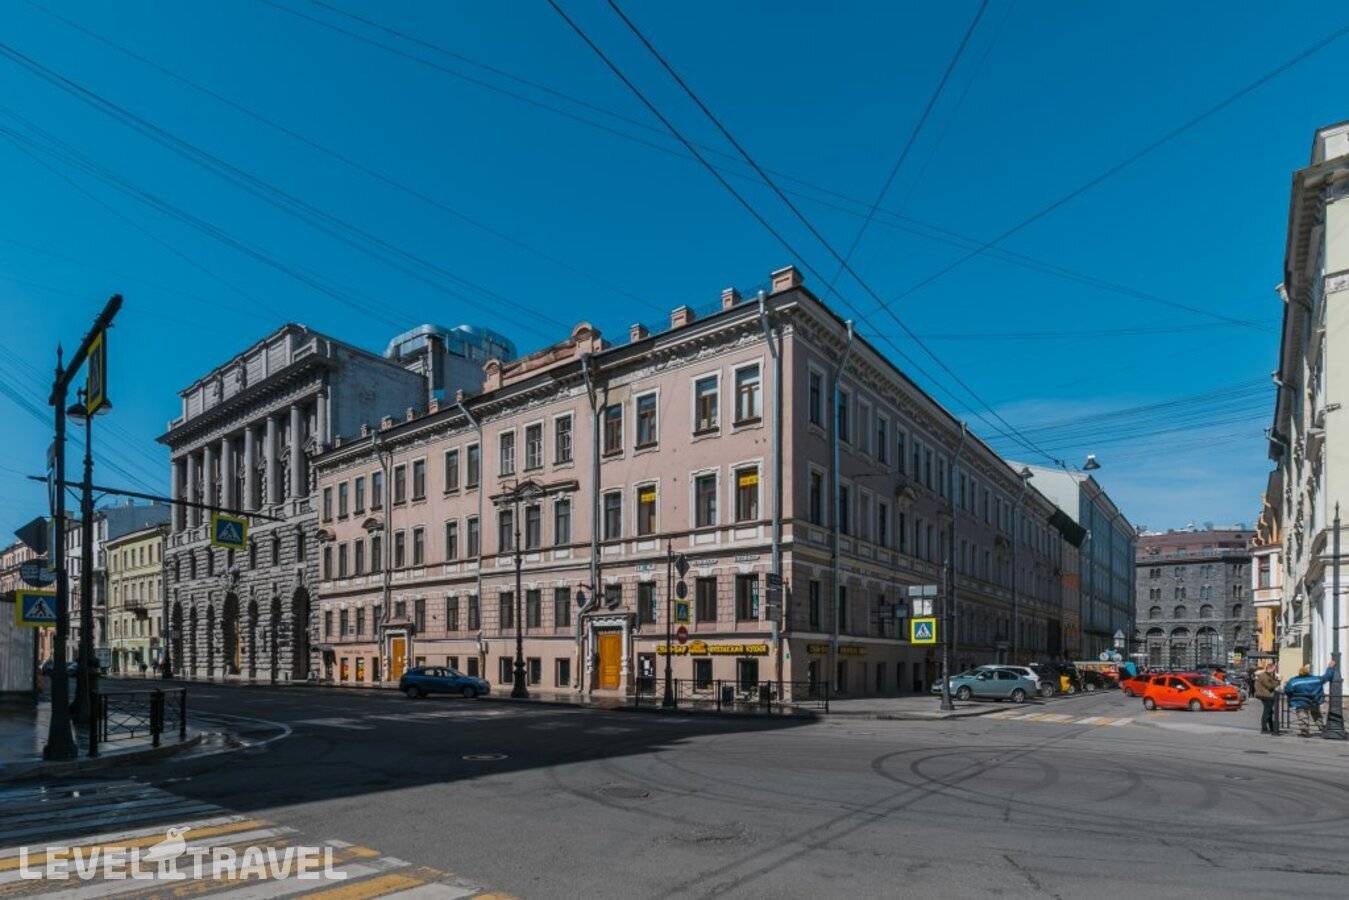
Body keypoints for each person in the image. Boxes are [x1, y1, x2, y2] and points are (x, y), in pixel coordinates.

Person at [1284, 660, 1337, 737]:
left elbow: (1288, 690)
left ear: (1299, 673)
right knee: (1316, 715)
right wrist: (1330, 667)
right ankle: (1322, 729)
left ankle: (1305, 732)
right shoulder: (1315, 679)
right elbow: (1326, 677)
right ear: (1308, 672)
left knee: (1303, 716)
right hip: (1314, 700)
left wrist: (1291, 695)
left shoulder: (1293, 681)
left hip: (1300, 702)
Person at [1254, 663, 1281, 735]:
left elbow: (1271, 684)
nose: (1275, 670)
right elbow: (1270, 686)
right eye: (1274, 669)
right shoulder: (1264, 675)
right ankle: (1264, 728)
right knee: (1267, 711)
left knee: (1269, 711)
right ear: (1270, 669)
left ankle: (1271, 728)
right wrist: (1278, 681)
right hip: (1265, 695)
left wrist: (1275, 680)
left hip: (1266, 695)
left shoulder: (1267, 675)